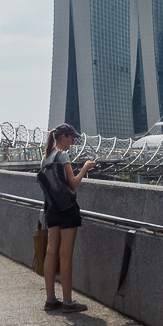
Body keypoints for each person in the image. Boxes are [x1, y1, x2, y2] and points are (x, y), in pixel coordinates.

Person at [41, 123, 96, 313]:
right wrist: (86, 168)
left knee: (50, 253)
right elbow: (72, 183)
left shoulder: (45, 157)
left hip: (52, 209)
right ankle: (67, 301)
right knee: (65, 254)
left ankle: (50, 299)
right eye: (71, 139)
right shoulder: (62, 155)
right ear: (63, 136)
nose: (72, 143)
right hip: (67, 209)